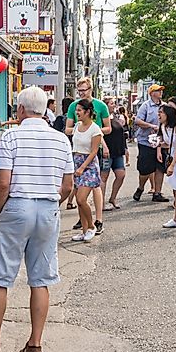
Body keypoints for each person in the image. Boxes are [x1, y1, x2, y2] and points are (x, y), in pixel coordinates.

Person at [0, 87, 74, 352]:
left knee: (1, 277)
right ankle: (35, 345)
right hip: (47, 207)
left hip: (17, 205)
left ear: (22, 110)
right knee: (41, 279)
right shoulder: (61, 139)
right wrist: (51, 205)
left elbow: (3, 181)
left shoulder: (12, 135)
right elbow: (68, 185)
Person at [66, 77, 111, 234]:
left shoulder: (100, 106)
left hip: (92, 149)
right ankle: (84, 220)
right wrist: (81, 128)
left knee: (95, 185)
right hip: (78, 150)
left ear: (91, 89)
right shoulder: (73, 106)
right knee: (80, 190)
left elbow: (108, 128)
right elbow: (67, 128)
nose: (82, 93)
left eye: (84, 90)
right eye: (79, 91)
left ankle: (98, 219)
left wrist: (93, 130)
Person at [70, 99, 103, 242]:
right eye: (76, 110)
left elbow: (94, 151)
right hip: (76, 161)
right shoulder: (77, 126)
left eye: (79, 110)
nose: (77, 113)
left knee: (81, 198)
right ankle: (84, 231)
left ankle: (91, 226)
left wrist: (83, 167)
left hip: (88, 165)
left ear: (87, 111)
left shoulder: (95, 129)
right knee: (79, 200)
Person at [133, 84, 170, 203]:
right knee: (145, 168)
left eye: (161, 90)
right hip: (145, 141)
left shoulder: (164, 106)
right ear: (152, 93)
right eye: (158, 90)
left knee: (160, 167)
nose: (160, 92)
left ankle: (157, 192)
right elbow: (137, 121)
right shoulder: (145, 106)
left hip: (161, 141)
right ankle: (140, 187)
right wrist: (150, 126)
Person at [101, 97, 130, 210]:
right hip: (107, 151)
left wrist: (125, 148)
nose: (114, 105)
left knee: (121, 175)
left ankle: (113, 198)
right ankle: (101, 203)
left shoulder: (116, 117)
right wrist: (104, 147)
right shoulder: (103, 118)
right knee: (104, 177)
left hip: (118, 151)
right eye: (111, 103)